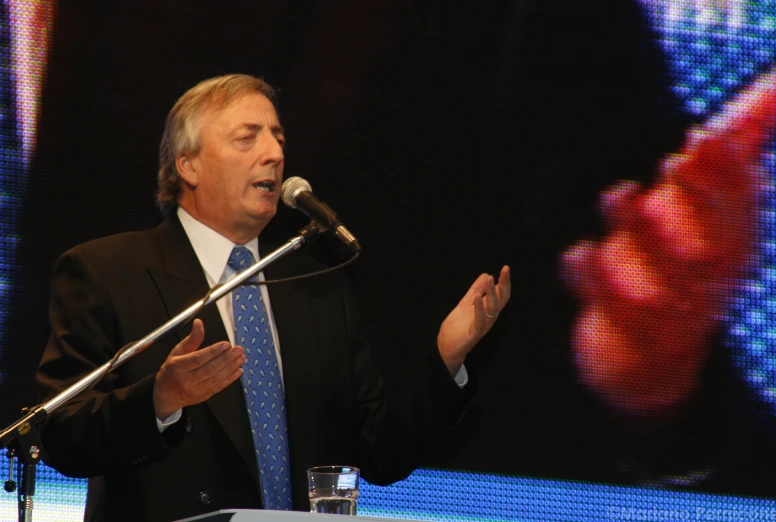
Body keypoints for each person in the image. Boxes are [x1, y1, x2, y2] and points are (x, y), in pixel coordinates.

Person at [35, 74, 511, 522]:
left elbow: (378, 452)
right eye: (248, 138)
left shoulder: (320, 289)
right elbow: (60, 433)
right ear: (189, 164)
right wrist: (159, 401)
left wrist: (447, 360)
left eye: (278, 138)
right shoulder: (107, 271)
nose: (274, 153)